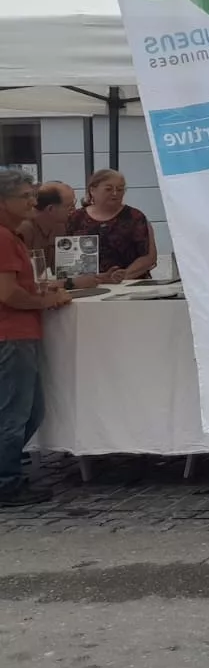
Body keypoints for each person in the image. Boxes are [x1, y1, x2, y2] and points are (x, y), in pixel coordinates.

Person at [1, 170, 72, 507]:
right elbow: (8, 294)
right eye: (25, 196)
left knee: (29, 411)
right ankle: (6, 482)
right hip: (11, 334)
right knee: (15, 413)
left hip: (18, 334)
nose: (33, 201)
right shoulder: (3, 237)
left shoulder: (10, 235)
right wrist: (46, 300)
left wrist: (41, 290)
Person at [65, 169, 156, 283]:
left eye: (120, 189)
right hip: (87, 285)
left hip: (128, 284)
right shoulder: (75, 218)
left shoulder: (135, 217)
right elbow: (66, 254)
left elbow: (148, 256)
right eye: (108, 189)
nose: (115, 193)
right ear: (92, 190)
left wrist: (124, 275)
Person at [16, 183, 75, 273]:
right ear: (50, 209)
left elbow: (63, 270)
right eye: (69, 206)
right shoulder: (23, 229)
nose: (74, 210)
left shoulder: (60, 226)